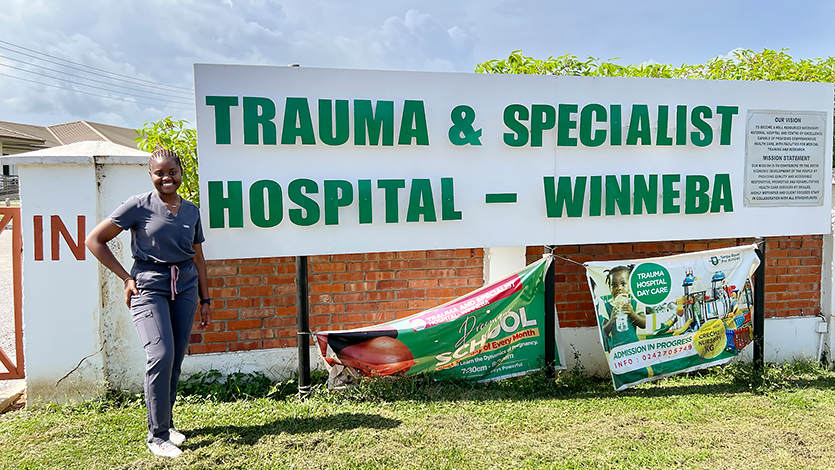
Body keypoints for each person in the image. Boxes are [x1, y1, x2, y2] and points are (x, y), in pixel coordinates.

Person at [86, 148, 211, 458]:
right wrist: (127, 277)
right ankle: (156, 437)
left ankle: (166, 427)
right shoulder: (138, 206)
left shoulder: (191, 211)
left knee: (175, 358)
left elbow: (198, 257)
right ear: (151, 175)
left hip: (185, 286)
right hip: (148, 287)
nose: (167, 177)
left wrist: (206, 299)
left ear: (181, 173)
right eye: (160, 173)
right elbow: (94, 240)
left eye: (172, 172)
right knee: (161, 354)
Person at [599, 265, 646, 350]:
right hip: (616, 349)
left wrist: (632, 313)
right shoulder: (606, 306)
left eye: (623, 284)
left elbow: (644, 324)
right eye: (614, 285)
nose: (619, 288)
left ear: (630, 286)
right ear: (609, 288)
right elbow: (604, 331)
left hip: (633, 346)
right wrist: (612, 319)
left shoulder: (635, 303)